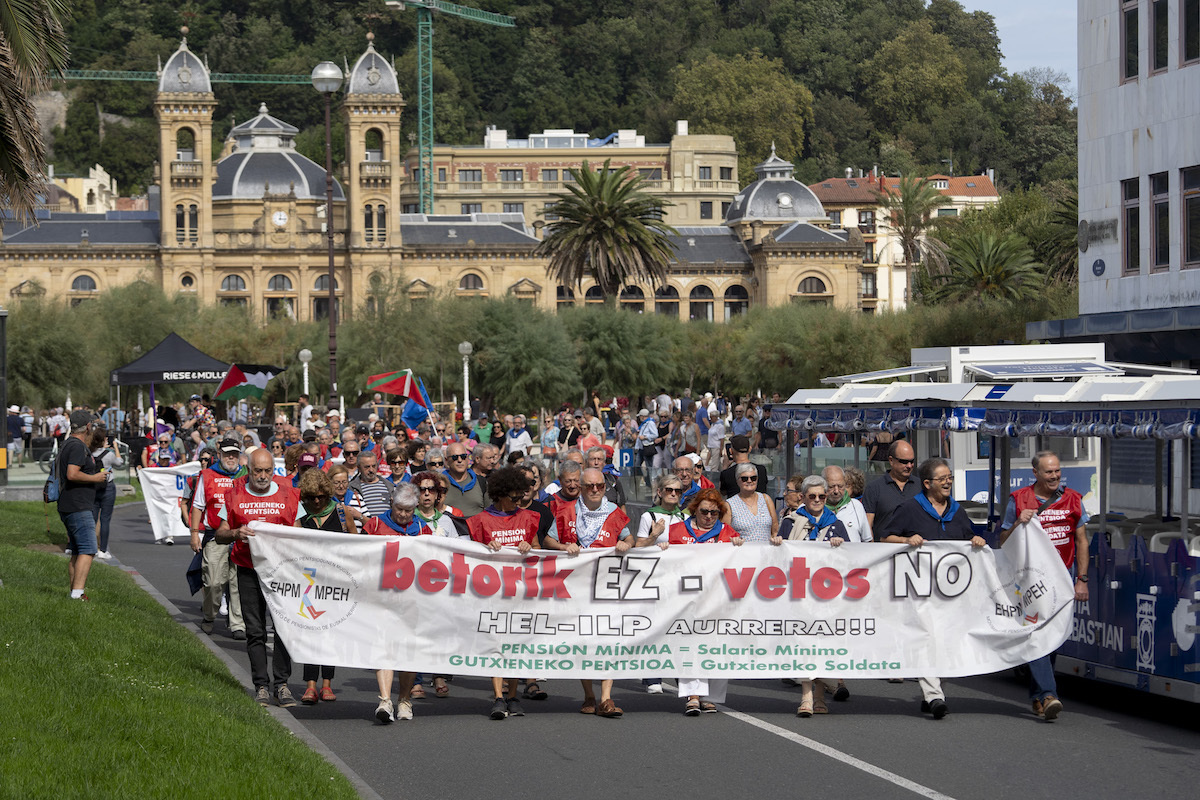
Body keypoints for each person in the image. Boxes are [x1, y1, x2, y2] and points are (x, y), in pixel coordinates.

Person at [881, 457, 987, 720]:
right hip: (920, 590)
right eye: (942, 478)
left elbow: (966, 538)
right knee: (926, 639)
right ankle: (934, 696)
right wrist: (906, 539)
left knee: (947, 643)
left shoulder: (957, 510)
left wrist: (975, 539)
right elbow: (885, 537)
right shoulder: (909, 508)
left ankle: (934, 692)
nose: (948, 482)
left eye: (950, 477)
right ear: (927, 484)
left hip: (951, 592)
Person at [997, 451, 1090, 722]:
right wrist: (1018, 522)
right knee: (1037, 633)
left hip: (1063, 578)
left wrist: (1081, 579)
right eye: (1048, 472)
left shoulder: (1074, 499)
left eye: (1057, 471)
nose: (1054, 476)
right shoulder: (1019, 500)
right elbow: (1003, 540)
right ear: (1035, 473)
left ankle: (1037, 696)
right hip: (1031, 580)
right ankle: (1049, 694)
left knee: (1054, 637)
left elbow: (1082, 540)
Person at [544, 467, 632, 718]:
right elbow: (549, 540)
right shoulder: (565, 512)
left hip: (606, 588)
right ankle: (589, 696)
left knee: (608, 642)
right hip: (575, 589)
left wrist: (626, 543)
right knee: (584, 643)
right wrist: (563, 546)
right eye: (590, 486)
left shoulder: (614, 512)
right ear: (581, 488)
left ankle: (606, 698)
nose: (595, 490)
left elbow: (630, 538)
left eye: (600, 486)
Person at [217, 448, 302, 707]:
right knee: (255, 631)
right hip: (248, 569)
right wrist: (235, 534)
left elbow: (299, 534)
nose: (263, 476)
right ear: (249, 470)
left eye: (267, 471)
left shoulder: (289, 494)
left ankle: (283, 684)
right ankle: (261, 686)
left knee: (282, 629)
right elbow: (219, 533)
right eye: (257, 471)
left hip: (281, 573)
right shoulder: (233, 494)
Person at [467, 467, 542, 720]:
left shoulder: (529, 517)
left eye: (521, 495)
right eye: (513, 496)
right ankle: (498, 697)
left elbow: (538, 551)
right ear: (500, 494)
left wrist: (528, 546)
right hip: (492, 593)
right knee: (496, 645)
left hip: (521, 591)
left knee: (516, 646)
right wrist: (485, 547)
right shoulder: (481, 520)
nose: (518, 500)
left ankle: (513, 696)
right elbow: (471, 554)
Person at [661, 489, 739, 714]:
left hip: (717, 598)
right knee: (689, 644)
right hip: (685, 598)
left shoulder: (726, 532)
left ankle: (710, 696)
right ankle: (693, 694)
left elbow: (742, 559)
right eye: (704, 511)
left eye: (715, 513)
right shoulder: (676, 531)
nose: (709, 517)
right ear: (695, 510)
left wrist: (740, 547)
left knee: (717, 646)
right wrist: (663, 550)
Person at [296, 468, 351, 704]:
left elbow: (355, 546)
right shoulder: (299, 514)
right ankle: (310, 685)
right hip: (307, 584)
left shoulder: (341, 512)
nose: (317, 502)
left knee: (330, 634)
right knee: (310, 634)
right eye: (311, 497)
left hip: (334, 583)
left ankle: (327, 684)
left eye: (321, 496)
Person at [190, 438, 248, 637]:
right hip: (215, 536)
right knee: (213, 582)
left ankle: (237, 623)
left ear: (239, 455)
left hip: (241, 536)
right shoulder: (207, 475)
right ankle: (209, 615)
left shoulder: (246, 475)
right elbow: (198, 506)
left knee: (237, 583)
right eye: (227, 454)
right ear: (220, 454)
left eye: (234, 454)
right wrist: (194, 534)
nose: (231, 458)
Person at [56, 410, 106, 599]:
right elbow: (72, 474)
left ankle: (74, 591)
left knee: (77, 550)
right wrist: (95, 477)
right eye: (92, 425)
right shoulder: (77, 446)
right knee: (88, 548)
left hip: (69, 503)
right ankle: (78, 594)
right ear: (87, 427)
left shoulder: (68, 443)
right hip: (77, 505)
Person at [863, 440, 920, 540]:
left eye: (912, 461)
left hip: (916, 552)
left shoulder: (920, 486)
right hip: (885, 551)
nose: (909, 466)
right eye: (904, 462)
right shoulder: (874, 488)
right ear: (891, 460)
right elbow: (867, 526)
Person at [90, 421, 124, 560]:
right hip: (108, 486)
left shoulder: (89, 453)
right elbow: (120, 463)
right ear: (104, 440)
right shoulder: (108, 454)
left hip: (92, 486)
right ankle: (103, 549)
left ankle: (91, 547)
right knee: (105, 519)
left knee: (92, 519)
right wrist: (115, 447)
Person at [727, 461, 779, 542]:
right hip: (742, 552)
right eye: (744, 479)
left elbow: (775, 531)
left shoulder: (766, 499)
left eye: (753, 478)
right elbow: (726, 534)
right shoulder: (729, 504)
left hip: (765, 552)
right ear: (737, 480)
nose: (749, 481)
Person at [823, 465, 871, 544]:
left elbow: (867, 540)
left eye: (840, 486)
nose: (836, 491)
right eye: (831, 486)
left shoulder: (856, 506)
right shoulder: (814, 507)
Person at [443, 441, 488, 516]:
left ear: (467, 458)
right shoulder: (439, 483)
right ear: (447, 460)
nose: (460, 460)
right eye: (455, 457)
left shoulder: (481, 482)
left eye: (463, 456)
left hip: (477, 527)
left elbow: (490, 512)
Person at [350, 450, 392, 517]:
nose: (371, 470)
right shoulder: (352, 488)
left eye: (374, 466)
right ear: (359, 468)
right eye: (367, 467)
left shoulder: (388, 486)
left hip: (386, 526)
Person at [586, 445, 626, 511]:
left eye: (599, 459)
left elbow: (622, 506)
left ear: (604, 463)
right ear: (586, 462)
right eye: (593, 459)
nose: (596, 463)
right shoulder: (580, 483)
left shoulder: (613, 481)